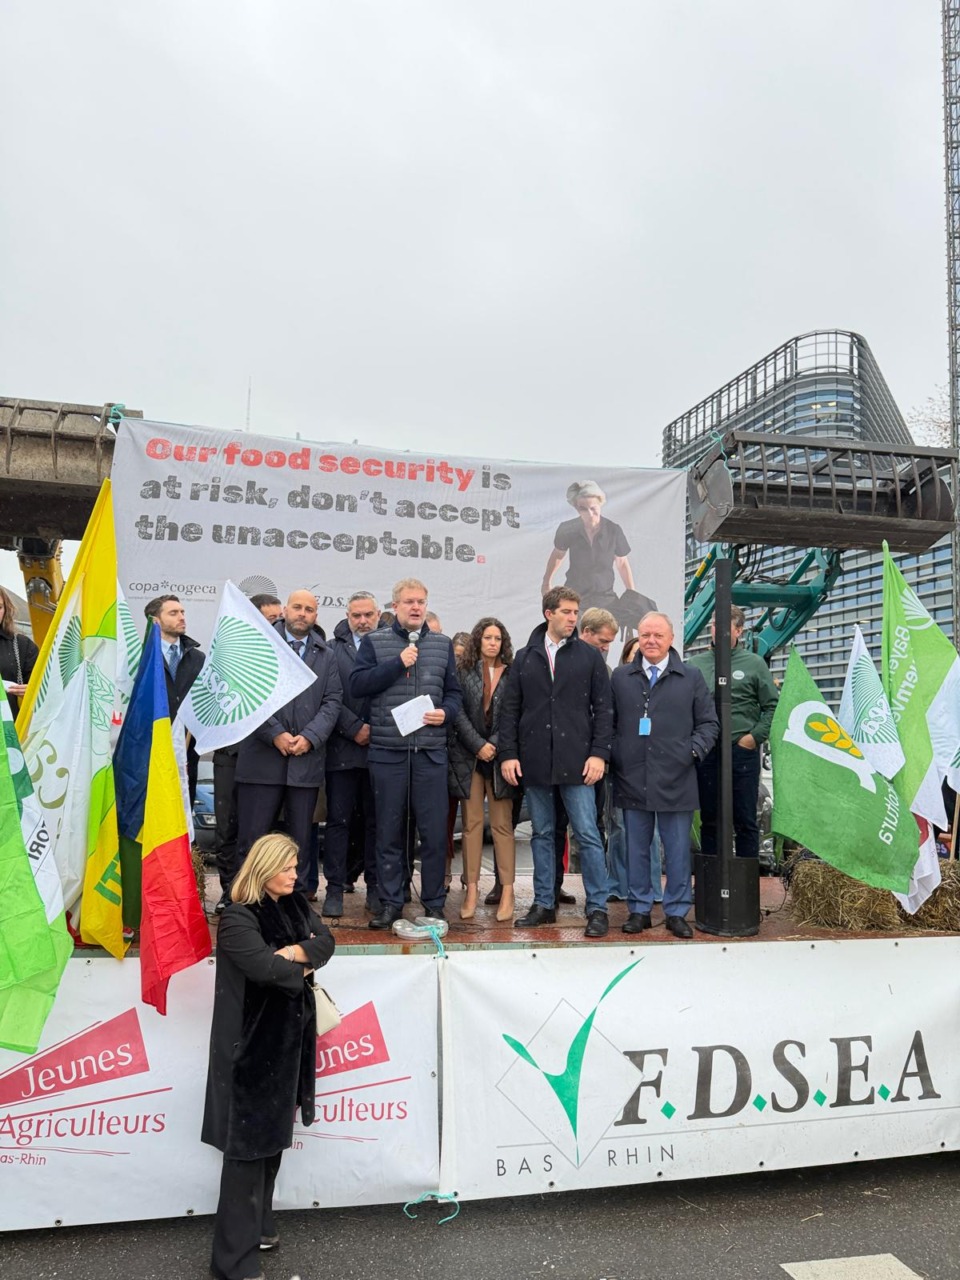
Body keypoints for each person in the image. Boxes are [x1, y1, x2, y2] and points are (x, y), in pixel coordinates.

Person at [202, 832, 334, 1280]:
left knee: (271, 1145)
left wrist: (295, 952)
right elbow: (264, 969)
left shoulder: (294, 905)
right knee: (245, 1155)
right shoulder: (237, 917)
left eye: (296, 866)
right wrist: (302, 962)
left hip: (286, 1047)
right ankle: (233, 1264)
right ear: (265, 869)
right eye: (288, 868)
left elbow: (327, 942)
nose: (297, 875)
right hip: (249, 1052)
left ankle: (259, 1228)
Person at [499, 587, 613, 938]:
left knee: (588, 834)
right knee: (543, 834)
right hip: (535, 762)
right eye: (566, 611)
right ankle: (543, 904)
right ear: (549, 613)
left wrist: (599, 754)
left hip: (579, 763)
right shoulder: (525, 657)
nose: (572, 618)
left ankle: (597, 907)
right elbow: (510, 710)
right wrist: (508, 754)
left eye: (576, 612)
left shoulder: (589, 656)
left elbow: (604, 709)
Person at [350, 577, 463, 929]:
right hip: (388, 753)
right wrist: (398, 663)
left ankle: (434, 904)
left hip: (429, 754)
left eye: (421, 602)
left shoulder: (442, 645)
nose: (416, 607)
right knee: (389, 832)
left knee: (433, 834)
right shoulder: (375, 642)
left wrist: (446, 712)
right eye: (409, 602)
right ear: (395, 606)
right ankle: (390, 903)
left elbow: (455, 694)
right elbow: (358, 685)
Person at [610, 612, 718, 939]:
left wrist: (691, 753)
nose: (651, 641)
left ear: (671, 639)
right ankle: (639, 909)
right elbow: (607, 722)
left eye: (658, 635)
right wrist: (619, 754)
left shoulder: (691, 677)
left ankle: (676, 911)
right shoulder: (620, 677)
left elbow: (709, 724)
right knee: (636, 849)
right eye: (645, 635)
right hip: (632, 777)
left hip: (677, 778)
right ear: (638, 637)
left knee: (677, 851)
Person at [234, 590, 343, 896]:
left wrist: (310, 737)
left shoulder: (326, 655)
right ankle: (246, 902)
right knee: (253, 839)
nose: (302, 613)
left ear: (316, 616)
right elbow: (248, 693)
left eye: (309, 609)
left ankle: (297, 904)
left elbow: (333, 701)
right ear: (285, 610)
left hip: (304, 763)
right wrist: (275, 733)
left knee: (300, 842)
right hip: (261, 761)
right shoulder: (259, 646)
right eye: (297, 607)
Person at [213, 593, 288, 915]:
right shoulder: (232, 653)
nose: (277, 624)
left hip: (264, 755)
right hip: (231, 753)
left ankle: (259, 890)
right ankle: (230, 891)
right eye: (271, 619)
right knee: (228, 827)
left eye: (279, 618)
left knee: (258, 830)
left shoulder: (283, 654)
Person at [687, 606, 779, 859]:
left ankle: (746, 879)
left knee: (745, 819)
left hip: (741, 751)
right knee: (710, 819)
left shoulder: (754, 664)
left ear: (739, 630)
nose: (717, 630)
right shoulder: (695, 665)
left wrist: (753, 738)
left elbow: (772, 706)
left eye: (724, 626)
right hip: (707, 751)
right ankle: (710, 876)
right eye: (714, 625)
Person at [448, 617, 517, 922]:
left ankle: (508, 891)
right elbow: (457, 712)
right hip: (470, 756)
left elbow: (515, 713)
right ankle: (472, 890)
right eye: (487, 637)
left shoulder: (513, 673)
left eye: (497, 638)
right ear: (478, 640)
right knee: (472, 825)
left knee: (502, 826)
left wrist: (495, 745)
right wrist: (478, 745)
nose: (492, 643)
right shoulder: (463, 671)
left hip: (501, 758)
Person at [325, 591, 381, 916]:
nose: (362, 621)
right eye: (356, 615)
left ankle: (374, 888)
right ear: (347, 616)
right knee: (338, 822)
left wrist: (375, 727)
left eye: (368, 615)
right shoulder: (331, 650)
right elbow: (329, 695)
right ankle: (334, 889)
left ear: (378, 615)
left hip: (380, 750)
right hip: (342, 749)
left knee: (377, 823)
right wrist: (354, 727)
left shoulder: (390, 646)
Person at [540, 481, 656, 631]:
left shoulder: (613, 530)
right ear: (576, 508)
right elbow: (558, 554)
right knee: (576, 634)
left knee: (602, 636)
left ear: (600, 504)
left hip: (605, 596)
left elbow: (621, 562)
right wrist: (546, 582)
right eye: (583, 509)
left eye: (593, 508)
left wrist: (631, 594)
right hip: (575, 595)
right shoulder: (567, 529)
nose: (589, 514)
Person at [144, 594, 205, 803]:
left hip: (187, 749)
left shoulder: (197, 658)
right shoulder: (142, 656)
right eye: (173, 613)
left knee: (183, 806)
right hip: (151, 745)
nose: (181, 617)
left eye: (182, 612)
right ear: (156, 620)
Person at [0, 586, 38, 715]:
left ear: (6, 610)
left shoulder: (22, 645)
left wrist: (32, 691)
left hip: (10, 724)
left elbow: (45, 689)